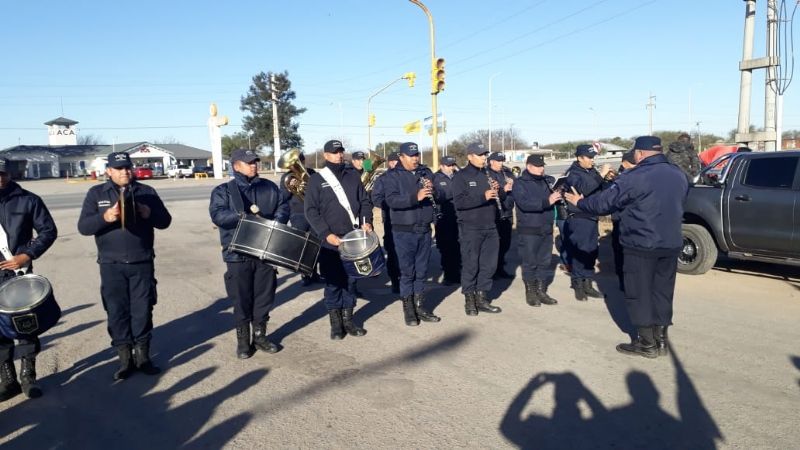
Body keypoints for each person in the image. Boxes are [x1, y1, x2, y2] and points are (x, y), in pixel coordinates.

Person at [564, 136, 688, 358]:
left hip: (640, 244)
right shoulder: (678, 174)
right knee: (662, 292)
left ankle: (647, 343)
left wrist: (580, 202)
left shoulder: (636, 176)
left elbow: (604, 203)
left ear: (639, 154)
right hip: (670, 243)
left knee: (639, 293)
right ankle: (661, 340)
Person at [78, 151, 172, 380]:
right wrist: (105, 217)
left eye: (127, 167)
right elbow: (83, 226)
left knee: (142, 310)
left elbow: (165, 221)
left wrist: (149, 213)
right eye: (119, 168)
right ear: (108, 171)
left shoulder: (147, 192)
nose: (124, 172)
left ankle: (143, 357)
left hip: (141, 262)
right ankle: (124, 359)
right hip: (111, 265)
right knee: (117, 312)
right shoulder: (96, 193)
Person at [210, 149, 290, 359]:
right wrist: (240, 217)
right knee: (241, 298)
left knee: (264, 297)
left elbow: (283, 206)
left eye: (255, 161)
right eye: (248, 163)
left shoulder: (270, 187)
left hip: (265, 250)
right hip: (237, 253)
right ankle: (243, 342)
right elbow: (218, 215)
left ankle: (260, 336)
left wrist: (278, 221)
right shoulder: (224, 191)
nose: (254, 165)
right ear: (236, 166)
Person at [0, 158, 57, 401]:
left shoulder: (28, 199)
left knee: (26, 326)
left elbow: (48, 230)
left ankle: (28, 377)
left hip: (18, 273)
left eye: (2, 173)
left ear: (9, 174)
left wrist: (27, 254)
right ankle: (8, 379)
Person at [305, 140, 372, 340]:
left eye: (341, 151)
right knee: (334, 283)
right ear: (326, 155)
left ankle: (349, 320)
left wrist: (367, 221)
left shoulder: (353, 176)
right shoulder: (317, 179)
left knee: (351, 281)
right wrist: (326, 233)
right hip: (330, 240)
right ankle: (336, 324)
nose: (339, 155)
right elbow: (311, 211)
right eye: (334, 152)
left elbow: (365, 202)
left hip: (353, 238)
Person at [382, 142, 441, 326]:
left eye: (417, 155)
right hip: (403, 231)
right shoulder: (391, 176)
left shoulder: (425, 172)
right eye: (411, 155)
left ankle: (420, 307)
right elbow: (391, 200)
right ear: (401, 157)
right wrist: (415, 197)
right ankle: (408, 310)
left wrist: (434, 190)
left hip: (424, 228)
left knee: (422, 272)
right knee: (407, 273)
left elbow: (439, 196)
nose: (415, 158)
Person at [451, 142, 502, 315]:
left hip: (490, 226)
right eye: (480, 155)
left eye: (484, 155)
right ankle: (469, 300)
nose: (483, 158)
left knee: (489, 265)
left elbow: (497, 197)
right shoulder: (461, 176)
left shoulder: (488, 174)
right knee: (471, 265)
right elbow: (459, 202)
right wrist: (483, 196)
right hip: (471, 227)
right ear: (470, 156)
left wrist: (498, 191)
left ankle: (482, 297)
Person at [563, 144, 613, 301]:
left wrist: (608, 180)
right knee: (580, 251)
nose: (592, 161)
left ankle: (588, 283)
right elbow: (585, 188)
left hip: (592, 216)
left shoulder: (592, 171)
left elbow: (598, 190)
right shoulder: (573, 173)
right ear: (580, 158)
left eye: (593, 158)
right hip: (579, 217)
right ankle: (578, 284)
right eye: (589, 158)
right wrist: (601, 175)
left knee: (591, 250)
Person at [512, 155, 561, 307]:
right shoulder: (520, 183)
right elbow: (524, 204)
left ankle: (541, 291)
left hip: (546, 227)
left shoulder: (546, 181)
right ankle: (531, 292)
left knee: (544, 262)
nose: (541, 168)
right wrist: (548, 201)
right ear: (528, 166)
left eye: (542, 166)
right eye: (538, 166)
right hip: (529, 229)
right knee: (530, 262)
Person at [279, 151, 320, 286]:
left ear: (303, 161)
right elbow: (283, 197)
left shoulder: (312, 173)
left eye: (300, 161)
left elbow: (319, 191)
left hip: (314, 213)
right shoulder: (287, 177)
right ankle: (305, 275)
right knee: (302, 246)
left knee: (315, 244)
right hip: (297, 214)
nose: (299, 165)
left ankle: (314, 273)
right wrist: (291, 188)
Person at [371, 152, 401, 293]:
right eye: (393, 161)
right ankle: (395, 280)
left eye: (398, 160)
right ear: (389, 163)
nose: (396, 163)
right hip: (390, 219)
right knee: (392, 251)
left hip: (407, 220)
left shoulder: (405, 176)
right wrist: (392, 204)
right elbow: (376, 198)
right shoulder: (383, 179)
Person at [612, 150, 638, 291]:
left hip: (633, 223)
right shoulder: (620, 179)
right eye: (632, 164)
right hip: (619, 220)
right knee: (620, 253)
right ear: (624, 163)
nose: (635, 166)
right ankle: (623, 282)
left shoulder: (636, 177)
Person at [433, 155, 461, 285]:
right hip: (443, 216)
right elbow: (438, 197)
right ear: (442, 166)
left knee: (458, 245)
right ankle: (448, 275)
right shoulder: (435, 178)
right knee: (446, 247)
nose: (451, 168)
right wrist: (455, 193)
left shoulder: (459, 176)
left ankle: (456, 272)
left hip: (459, 215)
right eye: (449, 166)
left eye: (453, 165)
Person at [487, 152, 515, 279]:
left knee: (505, 242)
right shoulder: (486, 173)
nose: (501, 163)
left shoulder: (507, 172)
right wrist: (504, 189)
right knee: (494, 244)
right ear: (491, 161)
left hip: (508, 210)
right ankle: (492, 270)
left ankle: (500, 267)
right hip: (495, 211)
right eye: (498, 161)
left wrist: (513, 184)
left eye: (502, 161)